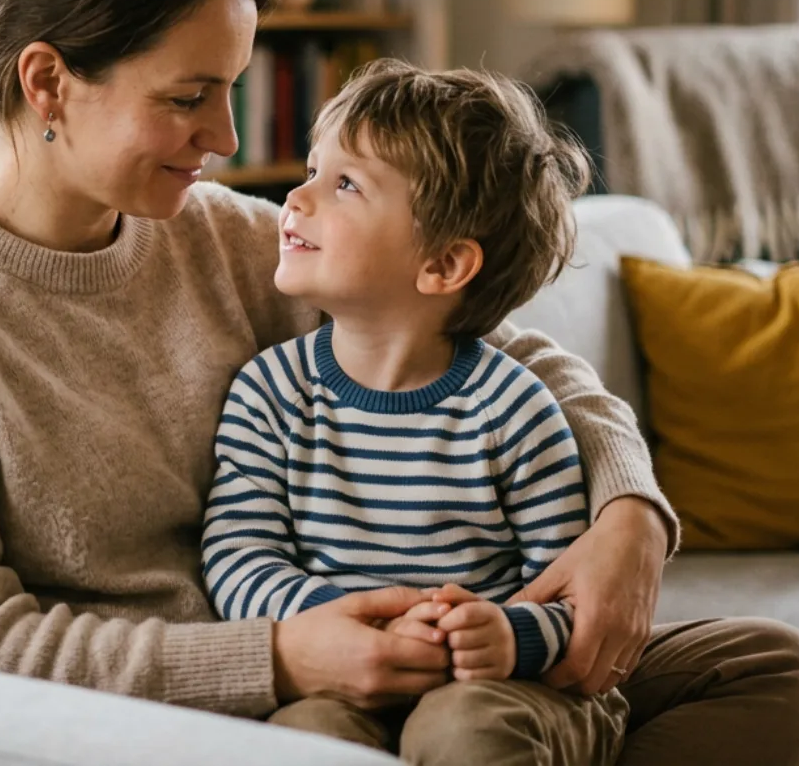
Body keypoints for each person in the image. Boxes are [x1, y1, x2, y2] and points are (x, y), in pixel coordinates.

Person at [0, 0, 799, 764]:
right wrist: (278, 655)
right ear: (49, 82)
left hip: (414, 663)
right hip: (205, 711)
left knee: (774, 674)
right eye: (188, 95)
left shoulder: (219, 237)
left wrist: (628, 514)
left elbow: (499, 346)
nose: (227, 134)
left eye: (232, 88)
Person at [203, 60, 626, 763]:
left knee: (462, 730)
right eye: (313, 167)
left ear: (443, 266)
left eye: (344, 184)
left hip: (480, 689)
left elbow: (570, 596)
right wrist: (339, 624)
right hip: (334, 682)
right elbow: (237, 554)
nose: (296, 198)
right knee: (302, 739)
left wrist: (505, 632)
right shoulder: (267, 392)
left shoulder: (517, 411)